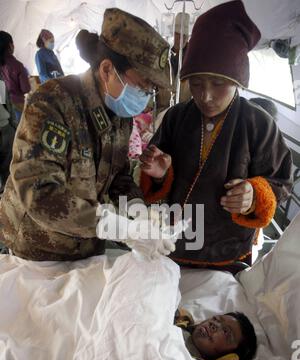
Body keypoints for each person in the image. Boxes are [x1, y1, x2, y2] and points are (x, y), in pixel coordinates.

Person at [0, 8, 173, 261]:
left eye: (151, 90)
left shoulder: (120, 116)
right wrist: (117, 226)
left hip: (85, 248)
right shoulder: (53, 102)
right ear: (106, 70)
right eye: (142, 86)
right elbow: (38, 192)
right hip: (34, 248)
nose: (146, 97)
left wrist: (140, 215)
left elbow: (119, 179)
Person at [139, 0, 292, 273]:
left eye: (218, 84)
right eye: (196, 84)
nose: (205, 96)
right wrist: (160, 174)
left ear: (238, 80)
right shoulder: (176, 117)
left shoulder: (259, 124)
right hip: (175, 244)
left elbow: (280, 182)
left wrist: (254, 196)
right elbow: (150, 179)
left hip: (229, 252)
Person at [156, 12, 191, 112]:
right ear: (173, 34)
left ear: (188, 37)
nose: (180, 39)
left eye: (184, 36)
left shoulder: (193, 60)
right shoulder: (162, 55)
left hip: (183, 112)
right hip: (162, 111)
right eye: (177, 34)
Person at [0, 31, 31, 122]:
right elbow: (26, 89)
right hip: (18, 105)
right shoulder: (17, 65)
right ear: (10, 45)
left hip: (5, 107)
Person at [0, 73, 17, 192]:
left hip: (4, 128)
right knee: (8, 170)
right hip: (4, 127)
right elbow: (6, 103)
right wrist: (14, 126)